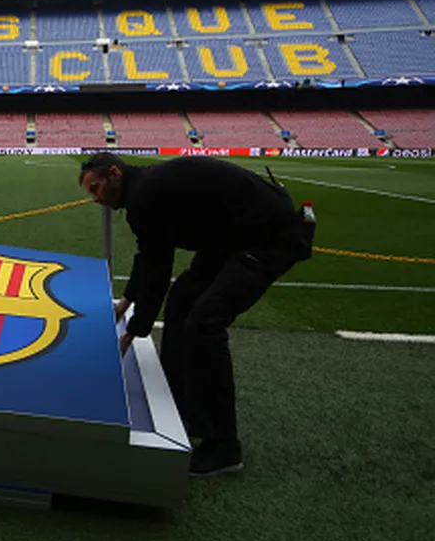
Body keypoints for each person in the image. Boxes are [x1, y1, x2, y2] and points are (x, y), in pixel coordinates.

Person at [78, 152, 314, 477]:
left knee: (204, 324)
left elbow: (157, 270)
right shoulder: (144, 189)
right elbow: (148, 256)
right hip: (230, 238)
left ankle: (223, 446)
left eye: (96, 188)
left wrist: (131, 334)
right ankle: (180, 405)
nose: (96, 199)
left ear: (115, 174)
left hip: (269, 237)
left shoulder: (145, 195)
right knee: (181, 302)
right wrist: (126, 302)